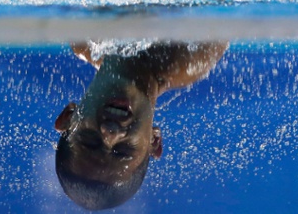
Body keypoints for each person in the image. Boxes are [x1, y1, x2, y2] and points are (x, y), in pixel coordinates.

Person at [54, 41, 227, 210]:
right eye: (123, 150)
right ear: (154, 141)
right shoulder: (189, 59)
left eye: (90, 141)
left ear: (69, 117)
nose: (111, 132)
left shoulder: (83, 40)